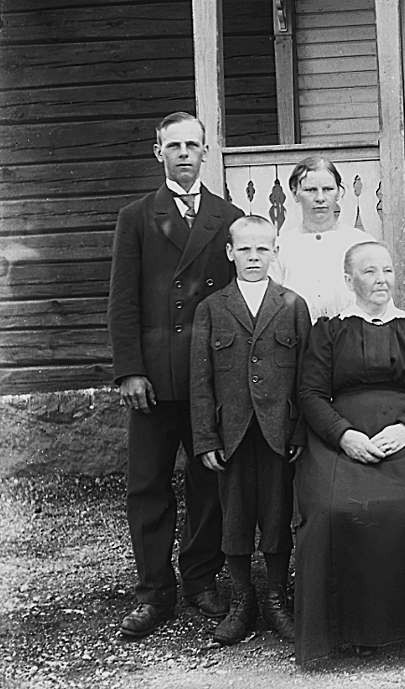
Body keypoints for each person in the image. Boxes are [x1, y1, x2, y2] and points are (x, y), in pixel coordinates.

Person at [295, 242, 405, 663]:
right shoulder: (329, 331)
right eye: (369, 271)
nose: (381, 280)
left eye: (387, 271)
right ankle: (355, 628)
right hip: (343, 438)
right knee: (335, 509)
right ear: (349, 279)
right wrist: (343, 436)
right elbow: (311, 393)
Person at [108, 112, 243, 637]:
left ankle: (201, 581)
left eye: (192, 145)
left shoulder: (229, 217)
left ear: (206, 151)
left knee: (209, 481)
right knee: (147, 485)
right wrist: (129, 371)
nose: (184, 153)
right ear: (158, 152)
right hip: (155, 379)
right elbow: (123, 301)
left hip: (208, 374)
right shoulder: (138, 217)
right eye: (174, 146)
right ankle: (154, 593)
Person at [190, 216, 312, 645]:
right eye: (245, 249)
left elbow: (306, 376)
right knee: (235, 515)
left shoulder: (292, 305)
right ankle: (242, 599)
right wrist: (206, 436)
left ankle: (277, 598)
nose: (254, 257)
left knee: (278, 514)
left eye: (262, 249)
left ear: (275, 251)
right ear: (230, 253)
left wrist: (300, 431)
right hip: (232, 431)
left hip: (279, 429)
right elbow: (200, 379)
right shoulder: (211, 308)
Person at [269, 156, 375, 320]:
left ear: (338, 192)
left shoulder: (362, 244)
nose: (320, 198)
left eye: (328, 189)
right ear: (295, 193)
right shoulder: (280, 247)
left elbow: (378, 302)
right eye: (310, 190)